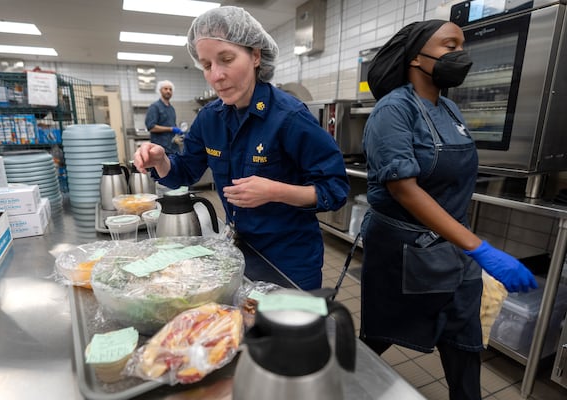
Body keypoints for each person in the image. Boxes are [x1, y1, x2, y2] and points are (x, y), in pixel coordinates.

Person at [359, 20, 538, 400]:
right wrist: (481, 248)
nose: (460, 54)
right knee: (382, 335)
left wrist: (468, 248)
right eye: (448, 45)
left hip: (455, 252)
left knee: (464, 342)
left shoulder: (451, 109)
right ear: (415, 58)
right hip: (406, 254)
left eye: (461, 44)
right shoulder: (393, 110)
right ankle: (336, 381)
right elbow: (404, 190)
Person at [134, 6, 349, 290]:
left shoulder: (289, 117)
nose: (216, 76)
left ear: (256, 55)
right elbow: (185, 172)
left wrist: (274, 191)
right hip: (238, 253)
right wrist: (161, 161)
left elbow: (335, 190)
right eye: (207, 65)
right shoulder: (210, 118)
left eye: (226, 59)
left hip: (289, 262)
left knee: (285, 334)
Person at [145, 80, 182, 154]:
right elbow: (151, 127)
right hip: (160, 148)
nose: (168, 91)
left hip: (172, 148)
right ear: (160, 90)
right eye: (165, 89)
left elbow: (172, 124)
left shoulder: (171, 108)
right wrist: (171, 129)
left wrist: (177, 134)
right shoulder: (155, 107)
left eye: (170, 89)